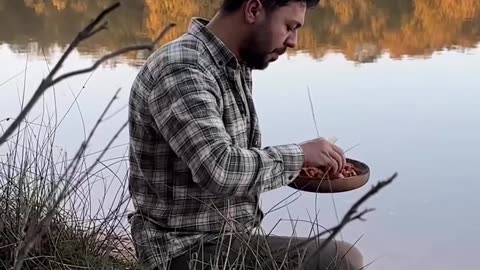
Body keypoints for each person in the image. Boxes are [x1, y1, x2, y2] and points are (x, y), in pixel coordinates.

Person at [128, 0, 363, 269]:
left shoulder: (231, 64)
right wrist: (298, 157)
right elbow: (219, 169)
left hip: (222, 241)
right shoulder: (183, 69)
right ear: (253, 10)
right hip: (184, 251)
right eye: (289, 26)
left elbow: (227, 158)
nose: (294, 42)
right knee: (343, 259)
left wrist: (302, 165)